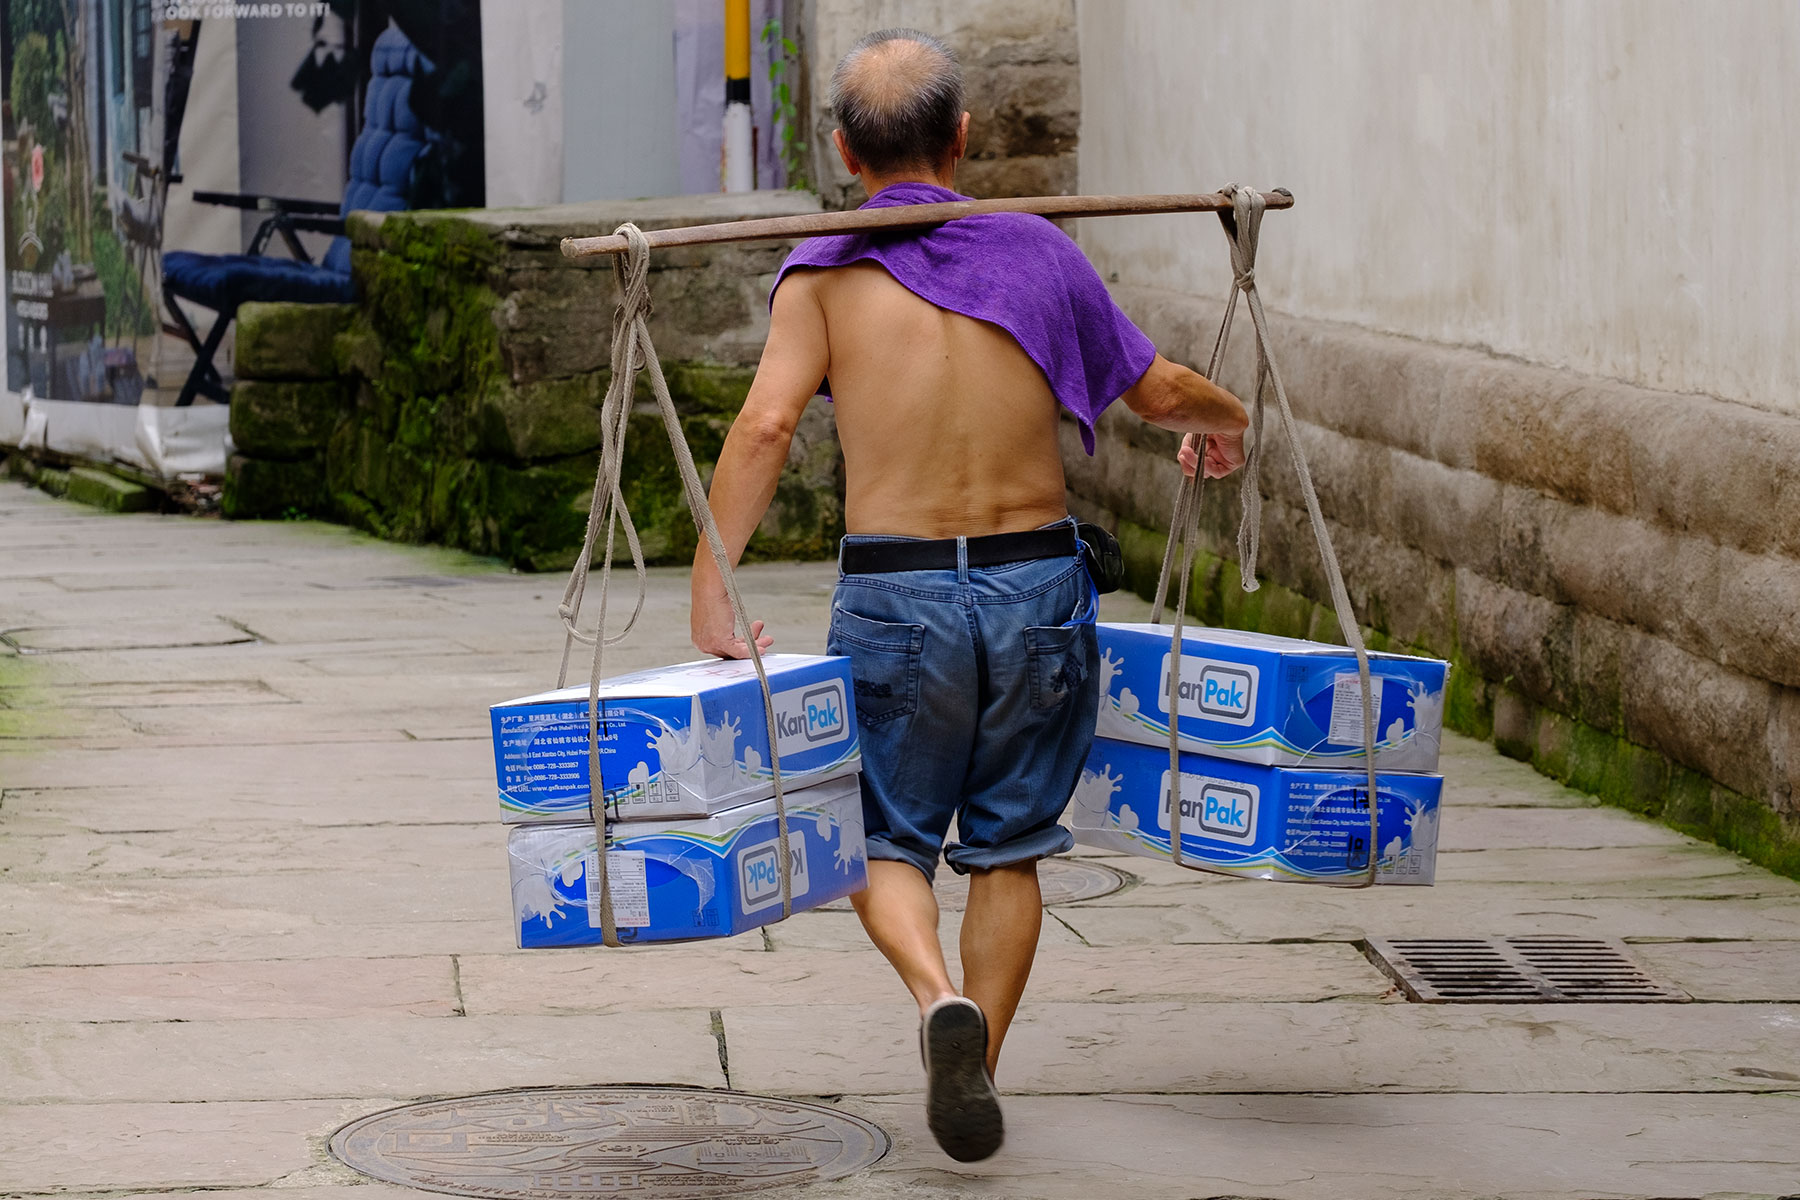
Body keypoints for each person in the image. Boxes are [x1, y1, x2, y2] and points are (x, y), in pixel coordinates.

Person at [690, 28, 1248, 1163]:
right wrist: (1226, 420)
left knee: (882, 837)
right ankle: (976, 1054)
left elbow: (763, 428)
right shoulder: (1038, 253)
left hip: (898, 598)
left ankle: (934, 995)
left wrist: (712, 591)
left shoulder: (825, 271)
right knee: (1009, 848)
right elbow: (1157, 390)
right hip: (1036, 584)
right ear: (961, 136)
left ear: (846, 151)